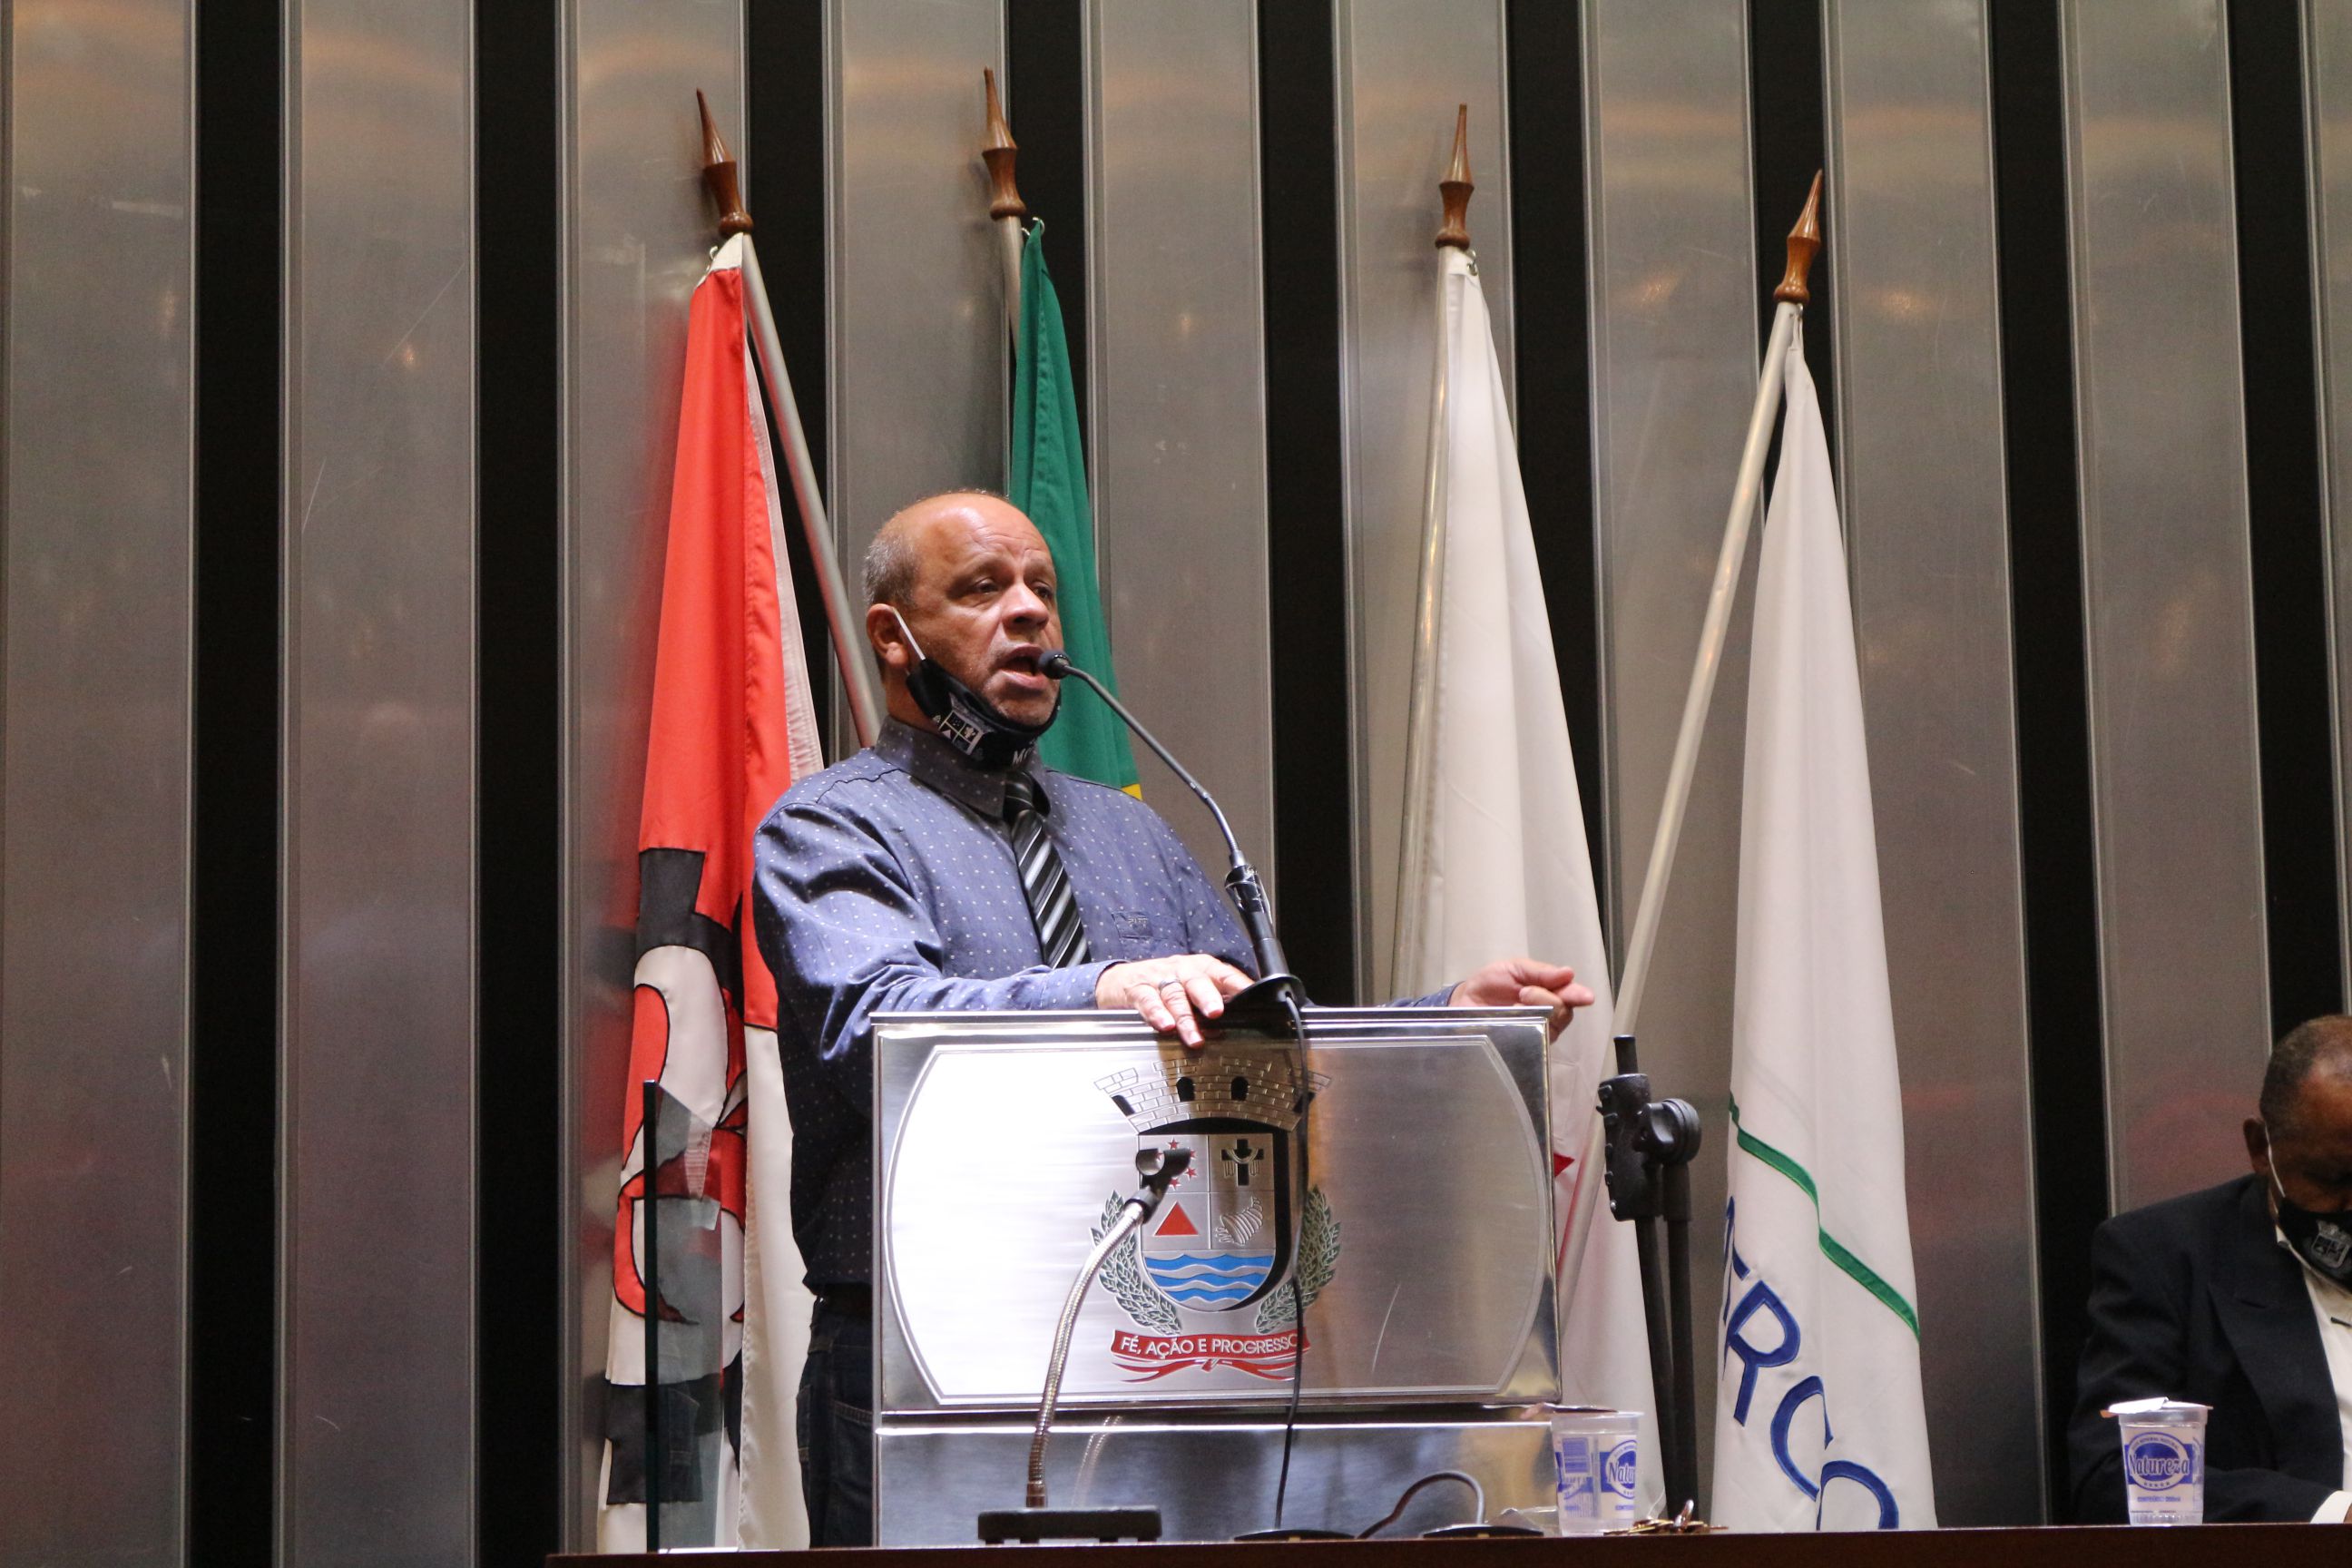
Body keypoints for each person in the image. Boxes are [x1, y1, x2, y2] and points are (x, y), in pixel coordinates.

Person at [750, 489, 1598, 1544]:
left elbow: (1270, 1050)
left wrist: (1447, 1021)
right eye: (982, 589)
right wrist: (1097, 990)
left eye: (1041, 588)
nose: (1030, 611)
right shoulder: (831, 827)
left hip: (1172, 1354)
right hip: (920, 1355)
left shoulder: (1131, 835)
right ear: (893, 636)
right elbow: (874, 1025)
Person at [2068, 1014, 2352, 1523]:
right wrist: (2335, 1516)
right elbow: (2114, 1475)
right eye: (2332, 1180)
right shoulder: (2165, 1258)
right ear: (2260, 1148)